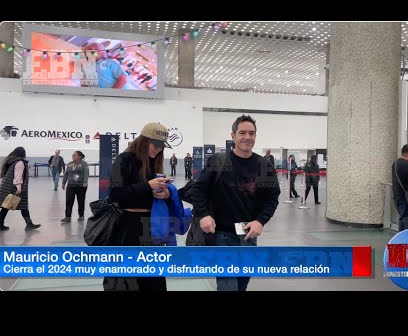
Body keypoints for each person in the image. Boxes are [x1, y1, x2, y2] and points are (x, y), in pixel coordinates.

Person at [190, 115, 281, 291]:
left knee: (241, 284)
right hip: (222, 235)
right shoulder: (218, 161)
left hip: (248, 234)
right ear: (233, 136)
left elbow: (272, 197)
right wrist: (204, 214)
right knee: (227, 285)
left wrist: (260, 221)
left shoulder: (264, 165)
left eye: (252, 133)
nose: (247, 137)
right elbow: (198, 189)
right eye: (242, 132)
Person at [103, 122, 175, 291]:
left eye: (161, 146)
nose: (158, 149)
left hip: (151, 226)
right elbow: (116, 195)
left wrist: (166, 194)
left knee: (153, 279)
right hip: (127, 227)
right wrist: (147, 186)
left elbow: (155, 196)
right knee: (126, 278)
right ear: (143, 141)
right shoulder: (124, 159)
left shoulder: (154, 162)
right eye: (155, 144)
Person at [0, 147, 41, 231]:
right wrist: (18, 188)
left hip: (7, 187)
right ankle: (29, 224)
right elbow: (17, 176)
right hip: (14, 188)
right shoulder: (20, 162)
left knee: (7, 206)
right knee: (21, 205)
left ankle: (1, 224)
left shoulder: (10, 161)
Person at [61, 151, 89, 223]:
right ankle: (68, 217)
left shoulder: (84, 164)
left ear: (79, 156)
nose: (73, 156)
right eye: (73, 155)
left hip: (81, 186)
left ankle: (81, 215)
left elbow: (86, 173)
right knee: (69, 201)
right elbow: (66, 174)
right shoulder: (70, 164)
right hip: (70, 185)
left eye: (75, 155)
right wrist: (63, 183)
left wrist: (85, 182)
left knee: (80, 201)